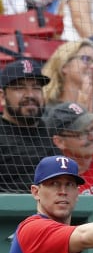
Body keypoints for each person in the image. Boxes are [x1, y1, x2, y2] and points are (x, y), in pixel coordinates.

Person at [0, 59, 57, 193]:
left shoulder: (53, 130)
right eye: (19, 87)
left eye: (36, 88)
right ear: (2, 97)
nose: (30, 95)